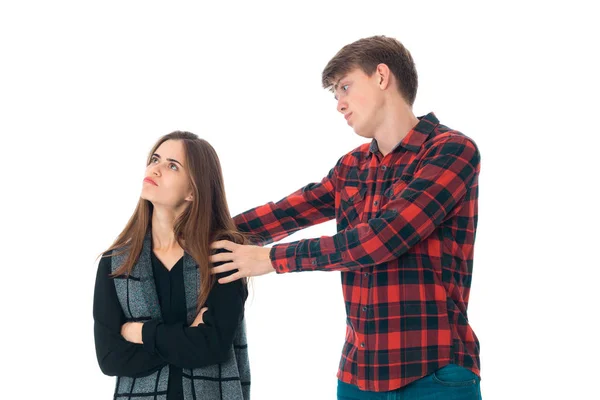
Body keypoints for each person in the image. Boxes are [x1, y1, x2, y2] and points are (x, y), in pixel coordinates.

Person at [211, 36, 482, 399]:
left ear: (382, 77)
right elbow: (289, 211)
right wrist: (202, 227)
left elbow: (381, 239)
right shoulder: (351, 166)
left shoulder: (451, 150)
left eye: (345, 87)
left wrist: (271, 259)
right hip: (358, 377)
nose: (339, 104)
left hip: (434, 373)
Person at [93, 131, 250, 400]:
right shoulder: (116, 262)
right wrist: (188, 339)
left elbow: (212, 347)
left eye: (172, 165)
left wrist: (139, 332)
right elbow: (111, 358)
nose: (155, 168)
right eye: (155, 159)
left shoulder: (224, 256)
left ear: (193, 190)